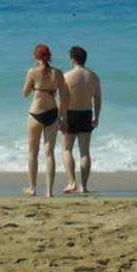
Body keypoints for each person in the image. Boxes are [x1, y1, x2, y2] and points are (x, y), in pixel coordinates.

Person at [23, 44, 69, 197]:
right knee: (49, 153)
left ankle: (32, 188)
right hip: (52, 113)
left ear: (35, 56)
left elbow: (25, 93)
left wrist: (34, 86)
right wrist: (63, 117)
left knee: (33, 152)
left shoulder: (32, 72)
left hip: (35, 113)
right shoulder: (58, 73)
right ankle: (49, 191)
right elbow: (64, 96)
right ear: (49, 56)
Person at [62, 45, 102, 195]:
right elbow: (97, 99)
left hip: (70, 114)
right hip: (86, 114)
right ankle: (83, 186)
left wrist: (60, 117)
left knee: (67, 149)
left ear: (72, 59)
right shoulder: (94, 77)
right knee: (85, 151)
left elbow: (63, 100)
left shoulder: (67, 76)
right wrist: (96, 116)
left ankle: (71, 182)